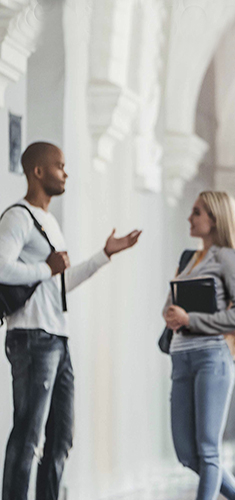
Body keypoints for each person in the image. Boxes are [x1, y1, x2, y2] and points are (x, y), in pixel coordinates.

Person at [0, 142, 141, 500]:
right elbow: (1, 266)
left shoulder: (50, 222)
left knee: (61, 437)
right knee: (28, 435)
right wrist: (45, 267)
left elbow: (61, 283)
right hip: (31, 338)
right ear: (38, 171)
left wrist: (105, 254)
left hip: (57, 339)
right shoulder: (18, 216)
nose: (66, 173)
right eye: (59, 166)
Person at [162, 191, 235, 500]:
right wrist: (171, 314)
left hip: (211, 359)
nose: (190, 218)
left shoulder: (227, 258)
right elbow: (172, 307)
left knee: (208, 451)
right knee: (186, 453)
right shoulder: (188, 258)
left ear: (215, 219)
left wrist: (190, 319)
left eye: (197, 212)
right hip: (180, 359)